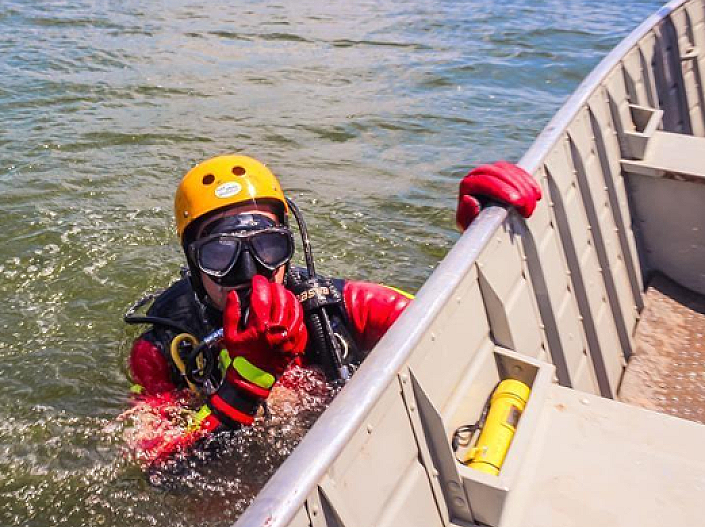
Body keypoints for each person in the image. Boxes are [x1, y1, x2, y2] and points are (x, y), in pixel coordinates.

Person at [123, 155, 540, 466]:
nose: (250, 273)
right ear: (194, 264)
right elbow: (156, 465)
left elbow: (456, 325)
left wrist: (482, 240)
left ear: (290, 243)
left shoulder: (340, 307)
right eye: (221, 253)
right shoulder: (164, 347)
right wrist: (243, 387)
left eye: (268, 246)